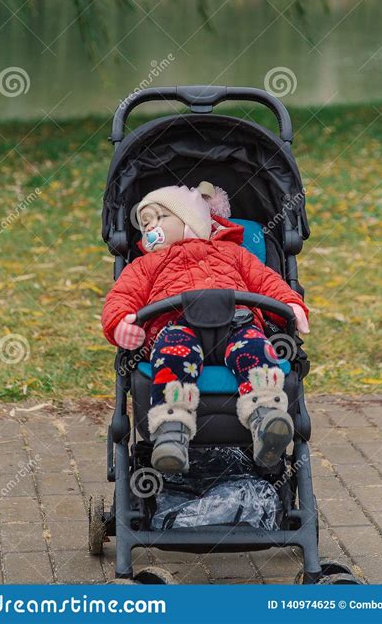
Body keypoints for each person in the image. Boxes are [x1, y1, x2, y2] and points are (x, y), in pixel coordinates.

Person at [102, 181, 309, 474]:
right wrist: (120, 322)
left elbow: (267, 282)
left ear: (191, 221)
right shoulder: (145, 265)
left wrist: (291, 305)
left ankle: (267, 420)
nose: (150, 228)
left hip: (237, 324)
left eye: (160, 218)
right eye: (145, 223)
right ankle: (171, 433)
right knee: (172, 356)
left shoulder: (234, 254)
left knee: (255, 349)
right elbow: (121, 296)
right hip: (176, 327)